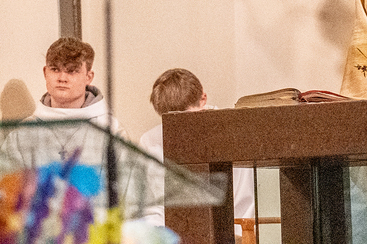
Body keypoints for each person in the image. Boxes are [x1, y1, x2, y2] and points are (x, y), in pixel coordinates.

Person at [139, 68, 255, 235]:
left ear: (203, 99)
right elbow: (152, 207)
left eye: (186, 119)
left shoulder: (233, 134)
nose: (181, 130)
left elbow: (243, 203)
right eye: (171, 122)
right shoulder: (151, 142)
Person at [1, 36, 127, 166]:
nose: (62, 78)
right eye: (55, 69)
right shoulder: (22, 134)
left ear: (88, 77)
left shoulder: (111, 130)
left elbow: (128, 177)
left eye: (71, 71)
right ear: (45, 73)